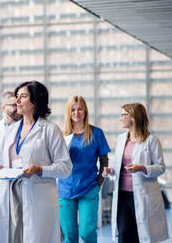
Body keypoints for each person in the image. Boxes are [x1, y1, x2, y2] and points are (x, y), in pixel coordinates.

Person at [0, 81, 72, 243]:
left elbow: (65, 168)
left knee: (35, 237)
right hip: (12, 194)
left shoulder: (50, 130)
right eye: (17, 97)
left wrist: (39, 169)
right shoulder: (12, 130)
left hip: (37, 195)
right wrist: (0, 167)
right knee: (12, 237)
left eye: (23, 96)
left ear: (35, 100)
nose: (17, 101)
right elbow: (2, 160)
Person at [102, 103, 168, 243]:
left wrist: (142, 168)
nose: (120, 119)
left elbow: (161, 167)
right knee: (124, 234)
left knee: (141, 236)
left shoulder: (151, 140)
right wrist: (110, 170)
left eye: (123, 115)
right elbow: (118, 165)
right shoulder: (121, 139)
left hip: (143, 196)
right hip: (123, 196)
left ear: (133, 117)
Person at [58, 95, 111, 243]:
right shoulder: (62, 135)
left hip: (88, 188)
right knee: (69, 235)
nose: (76, 112)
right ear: (68, 112)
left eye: (80, 109)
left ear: (85, 111)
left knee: (87, 232)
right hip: (65, 189)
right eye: (73, 109)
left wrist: (98, 183)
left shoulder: (96, 133)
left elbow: (104, 160)